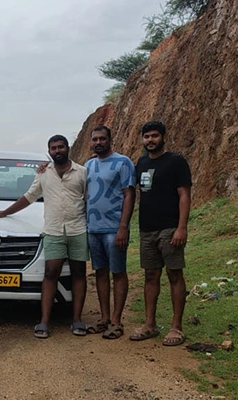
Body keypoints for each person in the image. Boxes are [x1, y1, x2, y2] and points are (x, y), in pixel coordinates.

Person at [0, 135, 89, 339]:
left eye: (60, 147)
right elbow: (30, 196)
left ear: (68, 148)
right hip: (53, 230)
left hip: (78, 229)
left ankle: (77, 319)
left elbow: (88, 199)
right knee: (50, 273)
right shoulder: (44, 173)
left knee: (79, 272)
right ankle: (44, 321)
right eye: (53, 148)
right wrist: (5, 212)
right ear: (49, 151)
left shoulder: (82, 172)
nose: (57, 151)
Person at [129, 120, 192, 346]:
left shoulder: (176, 162)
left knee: (174, 274)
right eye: (147, 136)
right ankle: (150, 325)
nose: (150, 140)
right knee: (150, 275)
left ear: (163, 137)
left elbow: (184, 195)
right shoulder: (142, 163)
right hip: (147, 229)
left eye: (154, 136)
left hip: (170, 228)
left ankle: (176, 328)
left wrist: (181, 227)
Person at [84, 125, 135, 340]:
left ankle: (116, 321)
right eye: (95, 139)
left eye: (102, 138)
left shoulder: (123, 162)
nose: (98, 142)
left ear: (110, 139)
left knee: (118, 272)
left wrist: (123, 226)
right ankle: (104, 318)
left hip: (114, 229)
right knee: (100, 272)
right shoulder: (88, 165)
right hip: (93, 228)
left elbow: (129, 195)